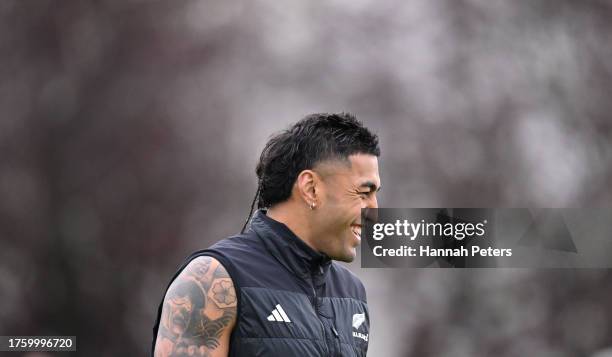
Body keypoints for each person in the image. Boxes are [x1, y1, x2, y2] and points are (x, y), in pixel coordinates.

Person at [152, 113, 381, 357]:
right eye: (364, 192)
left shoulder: (352, 293)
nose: (374, 212)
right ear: (311, 188)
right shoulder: (213, 280)